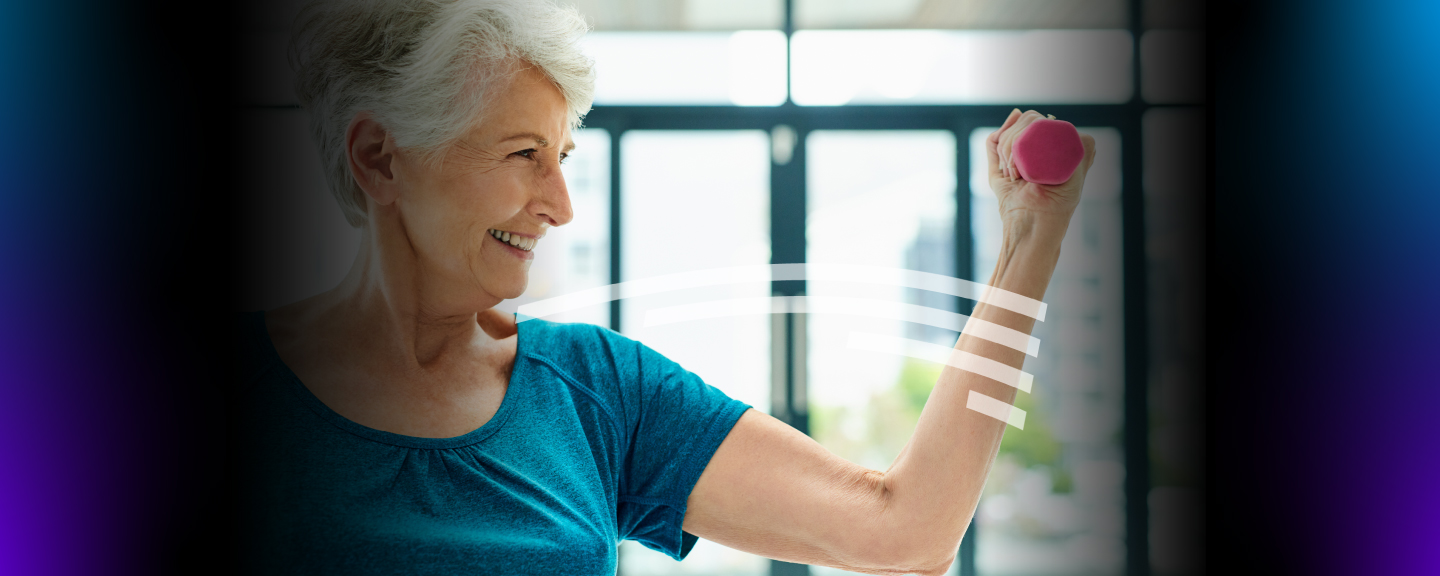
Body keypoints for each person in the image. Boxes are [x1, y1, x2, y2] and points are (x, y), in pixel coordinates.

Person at [233, 0, 1096, 574]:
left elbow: (905, 532)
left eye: (562, 157)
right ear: (380, 158)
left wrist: (1029, 242)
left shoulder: (597, 390)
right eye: (522, 156)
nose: (561, 205)